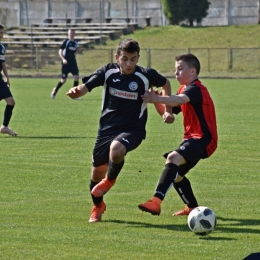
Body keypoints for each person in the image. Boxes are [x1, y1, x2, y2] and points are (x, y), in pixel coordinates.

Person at [66, 38, 174, 223]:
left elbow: (166, 84)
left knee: (116, 150)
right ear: (117, 57)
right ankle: (98, 206)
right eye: (125, 59)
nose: (129, 63)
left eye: (133, 59)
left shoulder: (146, 75)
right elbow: (86, 87)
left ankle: (110, 180)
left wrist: (167, 111)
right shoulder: (108, 72)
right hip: (106, 130)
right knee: (96, 174)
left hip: (134, 130)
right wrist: (77, 91)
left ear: (138, 58)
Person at [138, 53, 218, 216]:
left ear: (193, 72)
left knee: (173, 158)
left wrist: (159, 99)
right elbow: (171, 110)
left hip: (203, 139)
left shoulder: (195, 89)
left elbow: (179, 100)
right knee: (177, 174)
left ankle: (156, 202)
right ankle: (193, 208)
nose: (176, 73)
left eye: (180, 69)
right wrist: (158, 103)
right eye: (175, 70)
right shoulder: (184, 89)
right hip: (194, 139)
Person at [51, 28, 80, 99]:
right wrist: (63, 59)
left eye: (73, 33)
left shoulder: (76, 43)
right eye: (70, 33)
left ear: (75, 34)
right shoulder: (66, 42)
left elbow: (74, 52)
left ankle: (74, 95)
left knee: (76, 77)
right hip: (66, 64)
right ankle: (55, 90)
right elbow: (60, 51)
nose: (72, 34)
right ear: (68, 34)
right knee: (63, 80)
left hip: (73, 63)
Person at [0, 23, 18, 136]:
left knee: (11, 102)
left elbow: (3, 63)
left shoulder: (1, 47)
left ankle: (4, 127)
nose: (1, 34)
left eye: (2, 32)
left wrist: (7, 77)